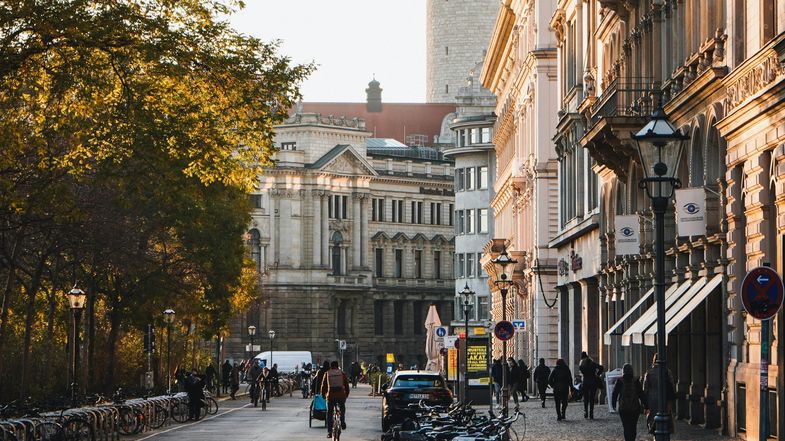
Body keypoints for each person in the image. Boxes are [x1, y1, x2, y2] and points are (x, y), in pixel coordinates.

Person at [643, 353, 676, 434]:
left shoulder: (649, 372)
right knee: (664, 417)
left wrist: (644, 404)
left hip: (652, 398)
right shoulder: (667, 372)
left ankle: (654, 433)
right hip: (664, 398)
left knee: (652, 417)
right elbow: (672, 386)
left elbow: (645, 389)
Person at [612, 363, 646, 441]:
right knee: (633, 426)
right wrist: (646, 405)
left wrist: (613, 404)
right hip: (635, 408)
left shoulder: (620, 381)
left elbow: (615, 393)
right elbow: (641, 394)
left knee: (626, 427)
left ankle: (627, 439)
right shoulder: (636, 381)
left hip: (623, 408)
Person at [321, 360, 350, 438]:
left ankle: (330, 432)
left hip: (331, 396)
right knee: (342, 407)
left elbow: (323, 386)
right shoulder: (342, 374)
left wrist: (323, 395)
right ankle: (342, 421)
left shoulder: (327, 373)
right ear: (337, 366)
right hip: (341, 396)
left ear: (331, 366)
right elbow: (347, 386)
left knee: (330, 413)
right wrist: (346, 395)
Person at [579, 351, 600, 419]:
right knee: (592, 398)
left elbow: (581, 371)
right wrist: (597, 374)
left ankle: (586, 412)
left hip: (585, 382)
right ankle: (591, 413)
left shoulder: (582, 365)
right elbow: (601, 367)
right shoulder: (592, 363)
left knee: (586, 398)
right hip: (593, 381)